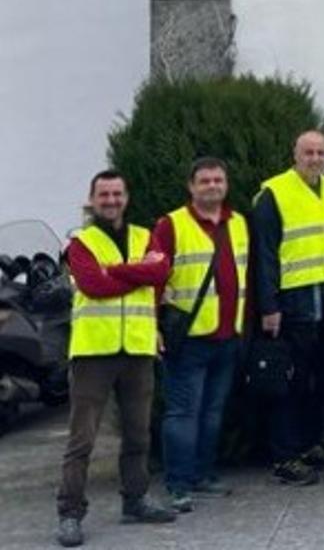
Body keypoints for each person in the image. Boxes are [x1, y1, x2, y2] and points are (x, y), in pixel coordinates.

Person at [56, 171, 173, 548]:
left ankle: (135, 500)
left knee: (139, 433)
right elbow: (94, 285)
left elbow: (161, 271)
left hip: (137, 350)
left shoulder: (145, 235)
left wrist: (121, 271)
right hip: (94, 353)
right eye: (103, 194)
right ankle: (70, 513)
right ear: (92, 199)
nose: (111, 200)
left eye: (117, 193)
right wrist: (138, 274)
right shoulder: (81, 242)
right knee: (82, 440)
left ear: (126, 197)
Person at [253, 130, 324, 485]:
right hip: (293, 302)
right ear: (295, 154)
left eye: (320, 153)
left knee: (319, 380)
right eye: (308, 152)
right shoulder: (274, 194)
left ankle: (310, 445)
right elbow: (263, 256)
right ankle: (285, 456)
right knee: (291, 381)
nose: (314, 159)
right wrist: (268, 305)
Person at [153, 157, 248, 512]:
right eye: (205, 181)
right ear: (191, 187)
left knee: (212, 412)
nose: (212, 186)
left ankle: (203, 475)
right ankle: (178, 483)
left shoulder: (238, 223)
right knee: (182, 413)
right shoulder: (171, 225)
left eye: (218, 180)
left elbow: (243, 278)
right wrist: (153, 327)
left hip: (227, 335)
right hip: (188, 338)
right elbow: (154, 280)